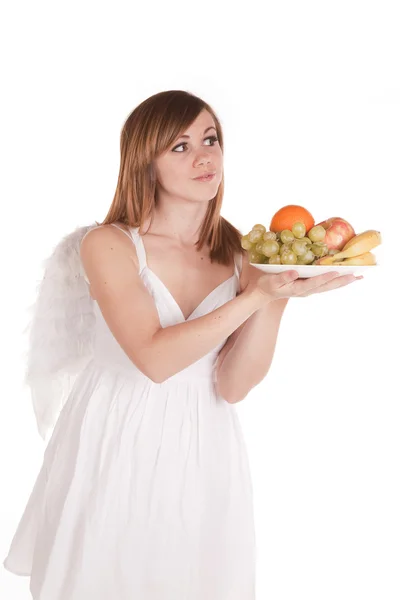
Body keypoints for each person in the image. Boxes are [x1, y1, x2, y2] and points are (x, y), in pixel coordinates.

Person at [3, 90, 360, 600]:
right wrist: (255, 294)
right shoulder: (108, 244)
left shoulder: (241, 252)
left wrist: (277, 295)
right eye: (180, 145)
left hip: (204, 441)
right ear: (144, 161)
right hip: (117, 432)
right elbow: (154, 358)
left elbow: (233, 385)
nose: (204, 155)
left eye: (211, 139)